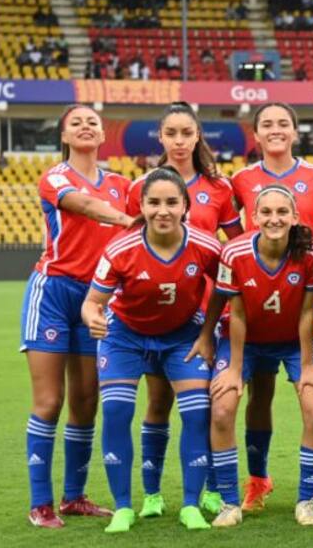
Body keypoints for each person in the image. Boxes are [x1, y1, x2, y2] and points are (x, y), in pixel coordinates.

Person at [82, 168, 222, 533]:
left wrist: (208, 333)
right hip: (125, 337)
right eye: (154, 202)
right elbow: (91, 303)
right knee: (115, 411)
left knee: (196, 414)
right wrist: (92, 317)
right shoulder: (119, 249)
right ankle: (124, 508)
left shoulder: (207, 246)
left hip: (182, 336)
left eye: (172, 202)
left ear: (186, 207)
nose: (163, 210)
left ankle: (191, 505)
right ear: (141, 206)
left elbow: (226, 293)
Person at [230, 102, 313, 512]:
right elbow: (233, 236)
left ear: (295, 132)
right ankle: (258, 481)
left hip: (303, 302)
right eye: (267, 124)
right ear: (256, 133)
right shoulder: (241, 179)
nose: (276, 129)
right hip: (255, 306)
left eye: (284, 123)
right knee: (257, 399)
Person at [125, 101, 243, 519]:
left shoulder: (220, 188)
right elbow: (127, 247)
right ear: (160, 137)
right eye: (170, 134)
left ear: (197, 137)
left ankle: (211, 488)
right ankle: (153, 495)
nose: (178, 141)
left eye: (185, 133)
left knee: (207, 404)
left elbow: (235, 247)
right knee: (158, 402)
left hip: (205, 312)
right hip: (158, 312)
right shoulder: (141, 187)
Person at [20, 104, 133, 528]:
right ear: (65, 136)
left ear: (104, 135)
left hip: (98, 296)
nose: (85, 127)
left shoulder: (122, 183)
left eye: (92, 122)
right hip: (53, 292)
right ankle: (40, 502)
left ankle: (74, 497)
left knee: (86, 402)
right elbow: (84, 205)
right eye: (76, 123)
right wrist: (127, 219)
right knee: (50, 401)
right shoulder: (55, 177)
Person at [209, 184, 313, 527]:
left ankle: (306, 501)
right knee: (222, 409)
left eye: (281, 212)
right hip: (247, 342)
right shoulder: (234, 253)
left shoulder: (312, 253)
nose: (274, 218)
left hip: (294, 341)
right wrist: (233, 369)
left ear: (294, 217)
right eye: (266, 212)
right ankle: (230, 503)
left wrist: (306, 366)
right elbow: (238, 315)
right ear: (253, 217)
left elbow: (308, 312)